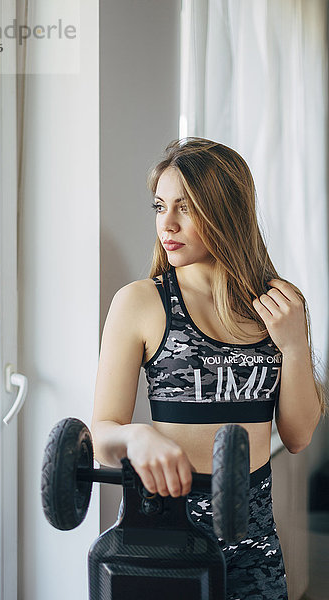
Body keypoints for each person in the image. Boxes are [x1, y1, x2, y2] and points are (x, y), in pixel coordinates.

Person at [91, 137, 325, 600]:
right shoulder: (141, 302)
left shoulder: (278, 305)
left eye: (187, 208)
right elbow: (101, 436)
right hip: (163, 541)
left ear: (226, 212)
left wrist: (295, 346)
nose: (168, 224)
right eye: (160, 207)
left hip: (253, 550)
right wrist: (138, 435)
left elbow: (297, 437)